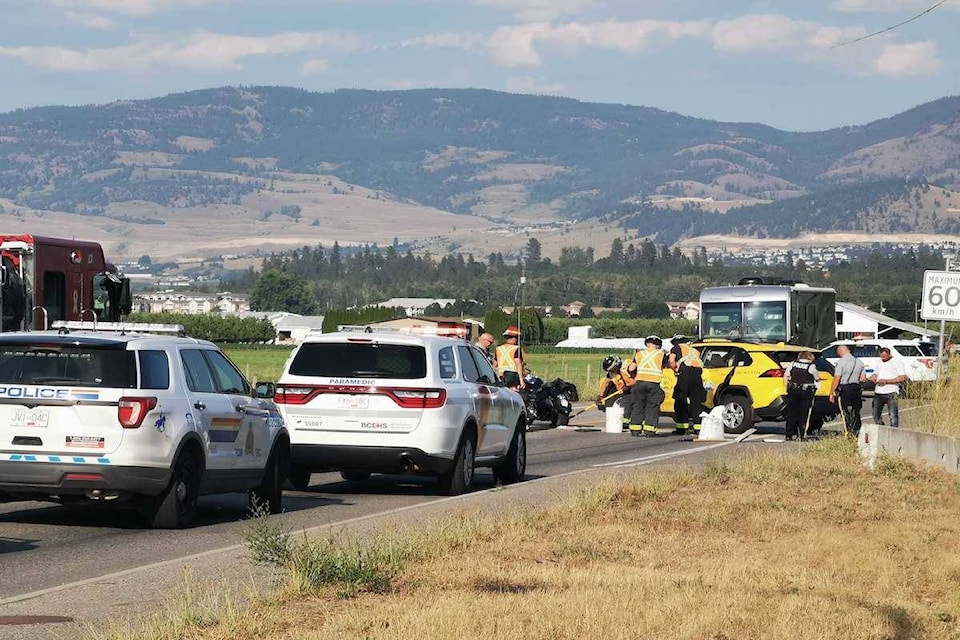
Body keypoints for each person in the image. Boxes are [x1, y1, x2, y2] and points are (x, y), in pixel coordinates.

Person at [626, 336, 667, 437]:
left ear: (646, 344)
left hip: (639, 383)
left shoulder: (639, 354)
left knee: (638, 406)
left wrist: (633, 376)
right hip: (654, 383)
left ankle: (635, 429)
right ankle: (649, 430)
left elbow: (631, 368)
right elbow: (669, 365)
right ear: (658, 345)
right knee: (652, 407)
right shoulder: (661, 354)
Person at [668, 335, 705, 436]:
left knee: (681, 401)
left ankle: (681, 428)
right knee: (696, 403)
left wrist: (675, 369)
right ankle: (698, 428)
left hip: (685, 374)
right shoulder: (694, 350)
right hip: (697, 375)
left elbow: (671, 361)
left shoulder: (676, 347)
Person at [830, 344, 867, 436]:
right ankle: (857, 430)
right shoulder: (859, 362)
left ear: (840, 352)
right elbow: (863, 378)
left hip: (845, 388)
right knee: (856, 410)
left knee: (845, 411)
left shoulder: (840, 362)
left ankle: (848, 431)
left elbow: (837, 378)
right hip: (856, 388)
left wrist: (831, 392)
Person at [784, 351, 819, 441]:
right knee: (804, 414)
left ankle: (789, 434)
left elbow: (786, 376)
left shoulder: (793, 364)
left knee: (792, 413)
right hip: (805, 392)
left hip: (793, 390)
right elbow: (816, 378)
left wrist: (786, 388)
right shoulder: (811, 366)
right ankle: (802, 434)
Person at [870, 347, 907, 427]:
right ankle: (881, 427)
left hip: (891, 391)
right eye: (881, 356)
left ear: (889, 355)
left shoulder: (897, 363)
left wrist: (886, 381)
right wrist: (873, 377)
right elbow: (875, 374)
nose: (882, 358)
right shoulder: (878, 362)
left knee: (893, 415)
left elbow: (902, 378)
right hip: (878, 391)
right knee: (875, 414)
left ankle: (894, 431)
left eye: (884, 356)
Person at [495, 326, 525, 390]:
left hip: (500, 377)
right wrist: (521, 380)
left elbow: (494, 364)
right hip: (512, 378)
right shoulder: (516, 348)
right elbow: (518, 364)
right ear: (515, 338)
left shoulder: (498, 349)